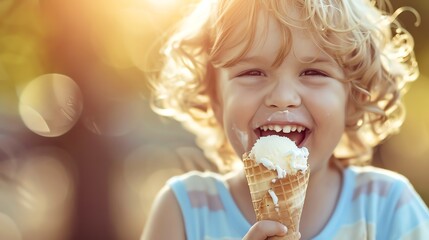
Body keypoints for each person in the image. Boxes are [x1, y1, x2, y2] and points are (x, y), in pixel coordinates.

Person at [141, 0, 429, 239]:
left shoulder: (389, 208)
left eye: (314, 72)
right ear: (215, 98)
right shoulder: (183, 212)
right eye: (252, 72)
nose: (283, 96)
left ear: (352, 99)